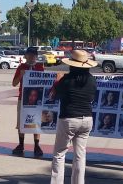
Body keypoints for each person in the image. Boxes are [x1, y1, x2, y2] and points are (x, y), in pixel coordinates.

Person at [50, 50, 97, 184]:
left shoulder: (67, 80)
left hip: (69, 118)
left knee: (59, 154)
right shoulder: (92, 80)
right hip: (87, 118)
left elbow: (55, 96)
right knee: (80, 156)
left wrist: (57, 81)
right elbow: (92, 97)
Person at [12, 47, 44, 156]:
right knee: (21, 123)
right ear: (26, 55)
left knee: (36, 122)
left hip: (37, 100)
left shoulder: (40, 67)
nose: (31, 57)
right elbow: (14, 83)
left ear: (36, 56)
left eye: (33, 55)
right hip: (23, 99)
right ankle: (21, 144)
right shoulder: (21, 67)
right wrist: (21, 74)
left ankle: (37, 145)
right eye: (29, 55)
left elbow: (45, 82)